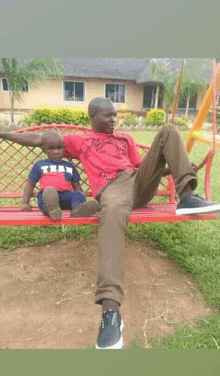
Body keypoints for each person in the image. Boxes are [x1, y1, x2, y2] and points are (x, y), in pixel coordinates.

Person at [1, 97, 220, 350]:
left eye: (115, 114)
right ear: (92, 117)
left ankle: (187, 198)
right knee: (112, 213)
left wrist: (176, 168)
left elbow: (142, 168)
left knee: (168, 130)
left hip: (137, 183)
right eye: (107, 115)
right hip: (112, 190)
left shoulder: (125, 139)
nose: (113, 119)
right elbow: (39, 140)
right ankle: (110, 310)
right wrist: (4, 133)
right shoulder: (79, 141)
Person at [21, 132, 100, 220]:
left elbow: (77, 186)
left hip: (65, 196)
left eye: (59, 148)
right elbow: (30, 184)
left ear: (64, 148)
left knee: (78, 194)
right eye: (51, 149)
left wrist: (80, 198)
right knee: (45, 198)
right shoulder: (39, 164)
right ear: (44, 150)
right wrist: (25, 202)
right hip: (47, 196)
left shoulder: (69, 166)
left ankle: (78, 209)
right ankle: (51, 211)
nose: (56, 152)